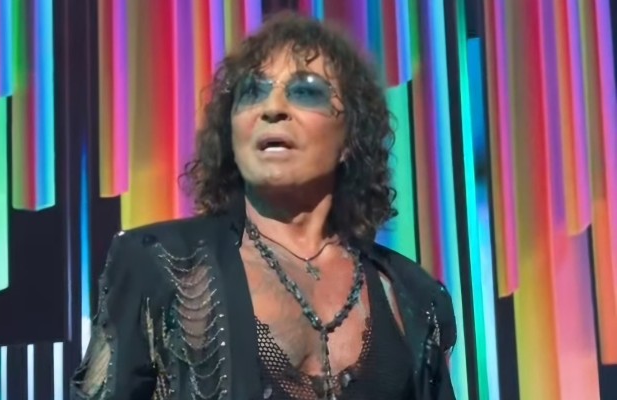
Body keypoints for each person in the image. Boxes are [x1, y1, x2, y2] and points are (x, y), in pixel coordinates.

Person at [71, 12, 456, 400]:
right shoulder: (157, 265)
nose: (272, 108)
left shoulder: (415, 296)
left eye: (306, 92)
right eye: (252, 92)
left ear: (350, 138)